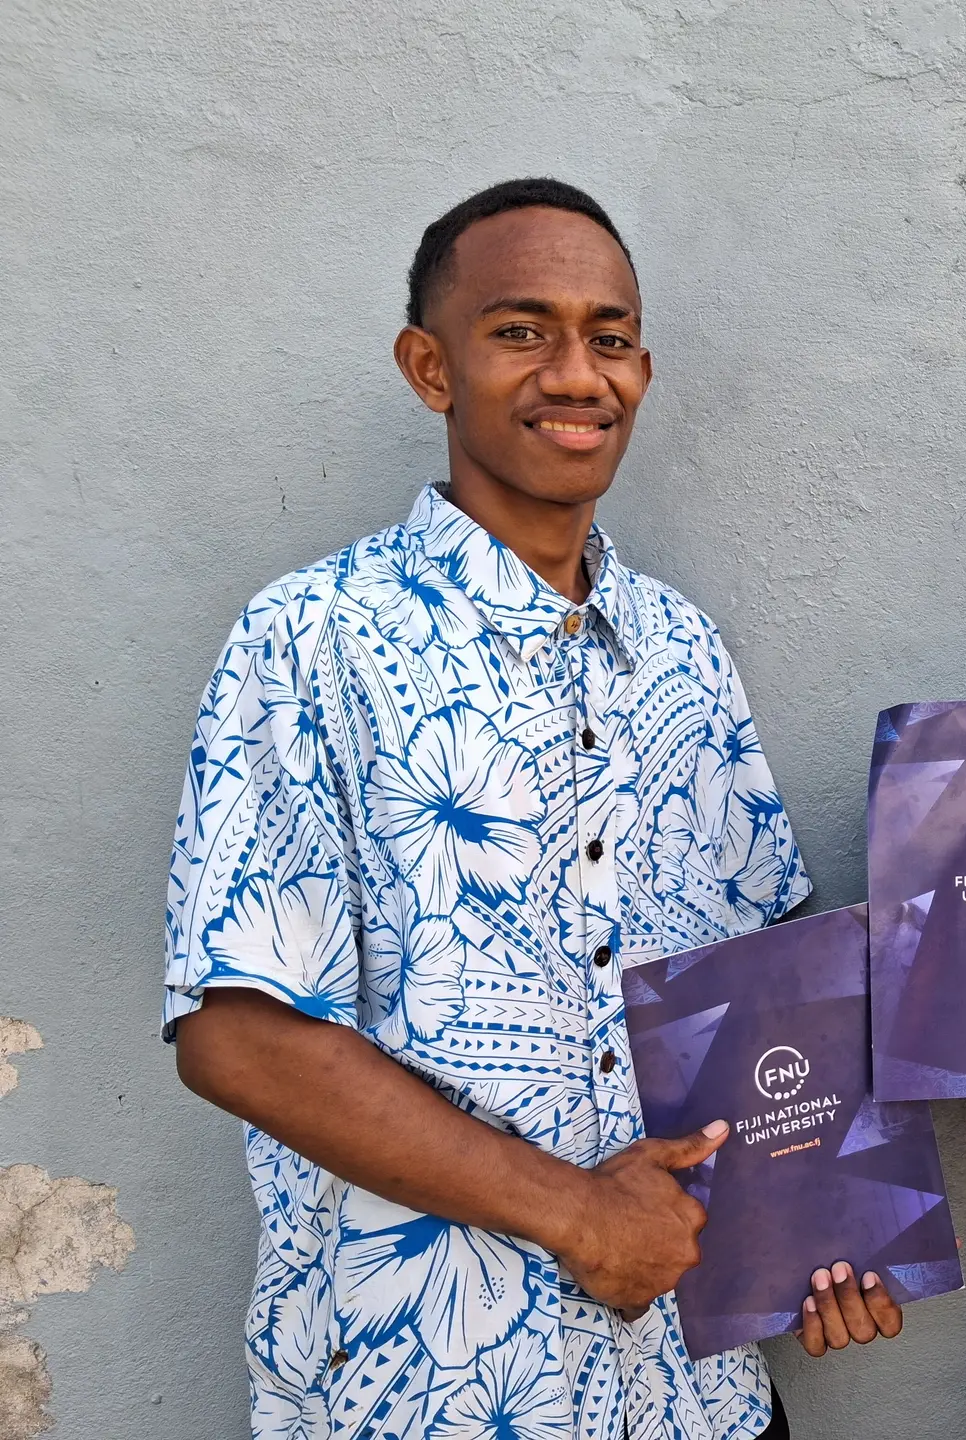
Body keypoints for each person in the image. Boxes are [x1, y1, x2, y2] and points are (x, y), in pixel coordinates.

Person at [165, 178, 899, 1440]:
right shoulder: (314, 639)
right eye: (522, 331)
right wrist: (578, 1215)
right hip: (439, 1397)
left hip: (694, 1396)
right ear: (429, 366)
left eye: (608, 338)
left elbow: (770, 990)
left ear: (644, 372)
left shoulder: (681, 647)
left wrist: (828, 1222)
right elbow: (238, 1034)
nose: (576, 373)